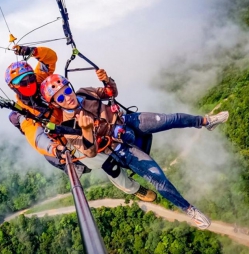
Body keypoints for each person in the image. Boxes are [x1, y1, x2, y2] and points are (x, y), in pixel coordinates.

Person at [39, 71, 229, 230]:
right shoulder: (68, 125)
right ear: (56, 103)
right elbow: (89, 152)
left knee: (171, 119)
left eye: (67, 90)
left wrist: (106, 80)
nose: (68, 97)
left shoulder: (85, 93)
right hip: (118, 147)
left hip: (126, 122)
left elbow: (110, 92)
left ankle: (206, 122)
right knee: (157, 177)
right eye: (61, 97)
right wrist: (87, 130)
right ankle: (189, 210)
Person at [5, 45, 156, 202]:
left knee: (116, 119)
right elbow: (37, 137)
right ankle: (133, 188)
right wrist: (55, 149)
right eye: (23, 83)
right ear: (14, 87)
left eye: (30, 78)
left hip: (78, 116)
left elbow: (50, 58)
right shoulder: (24, 113)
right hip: (68, 139)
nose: (29, 83)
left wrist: (32, 51)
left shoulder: (40, 80)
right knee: (107, 162)